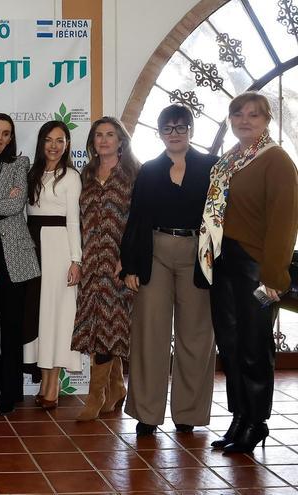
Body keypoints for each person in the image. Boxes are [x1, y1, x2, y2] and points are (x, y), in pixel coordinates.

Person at [199, 92, 298, 453]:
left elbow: (285, 225)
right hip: (224, 264)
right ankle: (238, 417)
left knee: (255, 347)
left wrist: (273, 278)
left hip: (258, 270)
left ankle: (257, 423)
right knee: (231, 344)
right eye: (238, 114)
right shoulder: (230, 160)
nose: (245, 120)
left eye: (254, 115)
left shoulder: (277, 161)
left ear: (267, 120)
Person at [121, 105, 219, 435]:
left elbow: (219, 218)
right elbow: (136, 220)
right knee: (151, 333)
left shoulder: (211, 166)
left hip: (198, 254)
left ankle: (188, 412)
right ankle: (146, 413)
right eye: (168, 128)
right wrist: (130, 266)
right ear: (160, 133)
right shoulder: (148, 170)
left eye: (181, 127)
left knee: (196, 335)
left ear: (191, 130)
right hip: (155, 253)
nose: (174, 133)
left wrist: (217, 262)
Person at [71, 117, 139, 421]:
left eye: (110, 134)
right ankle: (115, 387)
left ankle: (94, 395)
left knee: (111, 325)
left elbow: (140, 221)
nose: (104, 140)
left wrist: (128, 258)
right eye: (98, 135)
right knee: (96, 325)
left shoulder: (134, 175)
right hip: (90, 261)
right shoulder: (84, 175)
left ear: (121, 140)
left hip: (117, 263)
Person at [0, 113, 40, 415]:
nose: (0, 137)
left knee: (10, 327)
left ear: (11, 138)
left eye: (6, 133)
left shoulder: (19, 165)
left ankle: (11, 392)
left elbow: (16, 207)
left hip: (12, 255)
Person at [24, 121, 83, 409]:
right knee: (40, 315)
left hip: (59, 248)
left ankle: (53, 387)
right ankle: (44, 380)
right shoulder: (31, 173)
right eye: (49, 140)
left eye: (60, 140)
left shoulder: (71, 176)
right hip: (33, 247)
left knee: (58, 315)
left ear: (68, 144)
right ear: (41, 143)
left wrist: (76, 260)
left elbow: (74, 220)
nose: (54, 145)